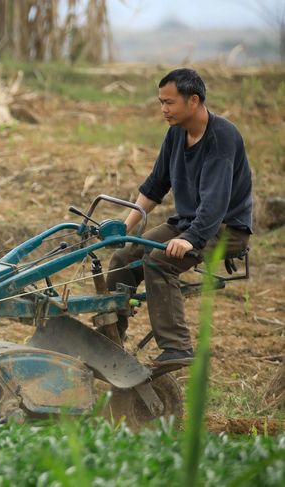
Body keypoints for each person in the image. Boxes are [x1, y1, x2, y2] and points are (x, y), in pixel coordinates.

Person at [106, 68, 252, 367]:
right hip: (188, 223)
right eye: (161, 102)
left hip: (225, 229)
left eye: (169, 103)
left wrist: (190, 239)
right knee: (124, 257)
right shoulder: (176, 134)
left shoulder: (221, 138)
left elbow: (215, 202)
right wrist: (125, 226)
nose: (163, 109)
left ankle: (178, 348)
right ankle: (109, 339)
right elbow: (156, 184)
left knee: (159, 260)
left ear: (193, 101)